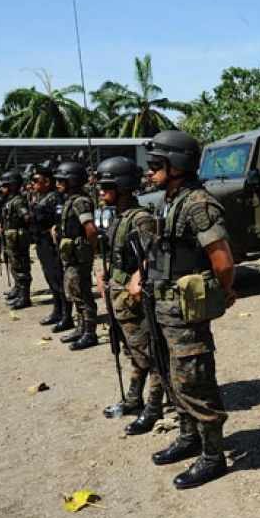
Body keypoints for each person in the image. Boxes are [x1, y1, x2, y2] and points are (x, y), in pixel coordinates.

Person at [130, 130, 237, 490]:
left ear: (179, 166)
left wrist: (222, 291)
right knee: (172, 376)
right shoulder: (167, 201)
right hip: (160, 306)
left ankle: (213, 455)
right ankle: (188, 436)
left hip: (184, 312)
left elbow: (222, 261)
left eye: (157, 164)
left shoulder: (197, 204)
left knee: (195, 380)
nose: (150, 171)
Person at [94, 156, 163, 432]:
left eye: (106, 186)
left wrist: (138, 277)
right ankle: (134, 398)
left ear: (122, 186)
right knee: (133, 352)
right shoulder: (119, 218)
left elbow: (152, 255)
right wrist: (107, 275)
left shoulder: (141, 219)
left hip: (133, 298)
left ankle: (154, 406)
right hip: (117, 294)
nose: (101, 192)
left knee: (150, 353)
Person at [53, 161, 99, 350]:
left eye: (61, 180)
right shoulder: (71, 200)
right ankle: (81, 328)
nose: (57, 184)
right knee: (74, 292)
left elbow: (91, 229)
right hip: (72, 256)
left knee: (82, 295)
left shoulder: (80, 201)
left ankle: (89, 333)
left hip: (80, 257)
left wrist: (90, 251)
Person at [30, 162, 74, 332]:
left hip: (52, 245)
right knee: (51, 279)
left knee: (58, 279)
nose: (33, 184)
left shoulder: (55, 198)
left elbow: (60, 219)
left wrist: (56, 228)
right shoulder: (41, 197)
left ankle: (66, 316)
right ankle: (57, 311)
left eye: (36, 180)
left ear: (47, 181)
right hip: (41, 243)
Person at [0, 171, 33, 310]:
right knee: (14, 266)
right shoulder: (9, 200)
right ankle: (18, 291)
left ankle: (24, 297)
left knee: (21, 268)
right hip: (11, 239)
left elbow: (27, 217)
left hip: (18, 240)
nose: (2, 189)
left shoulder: (18, 201)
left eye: (5, 186)